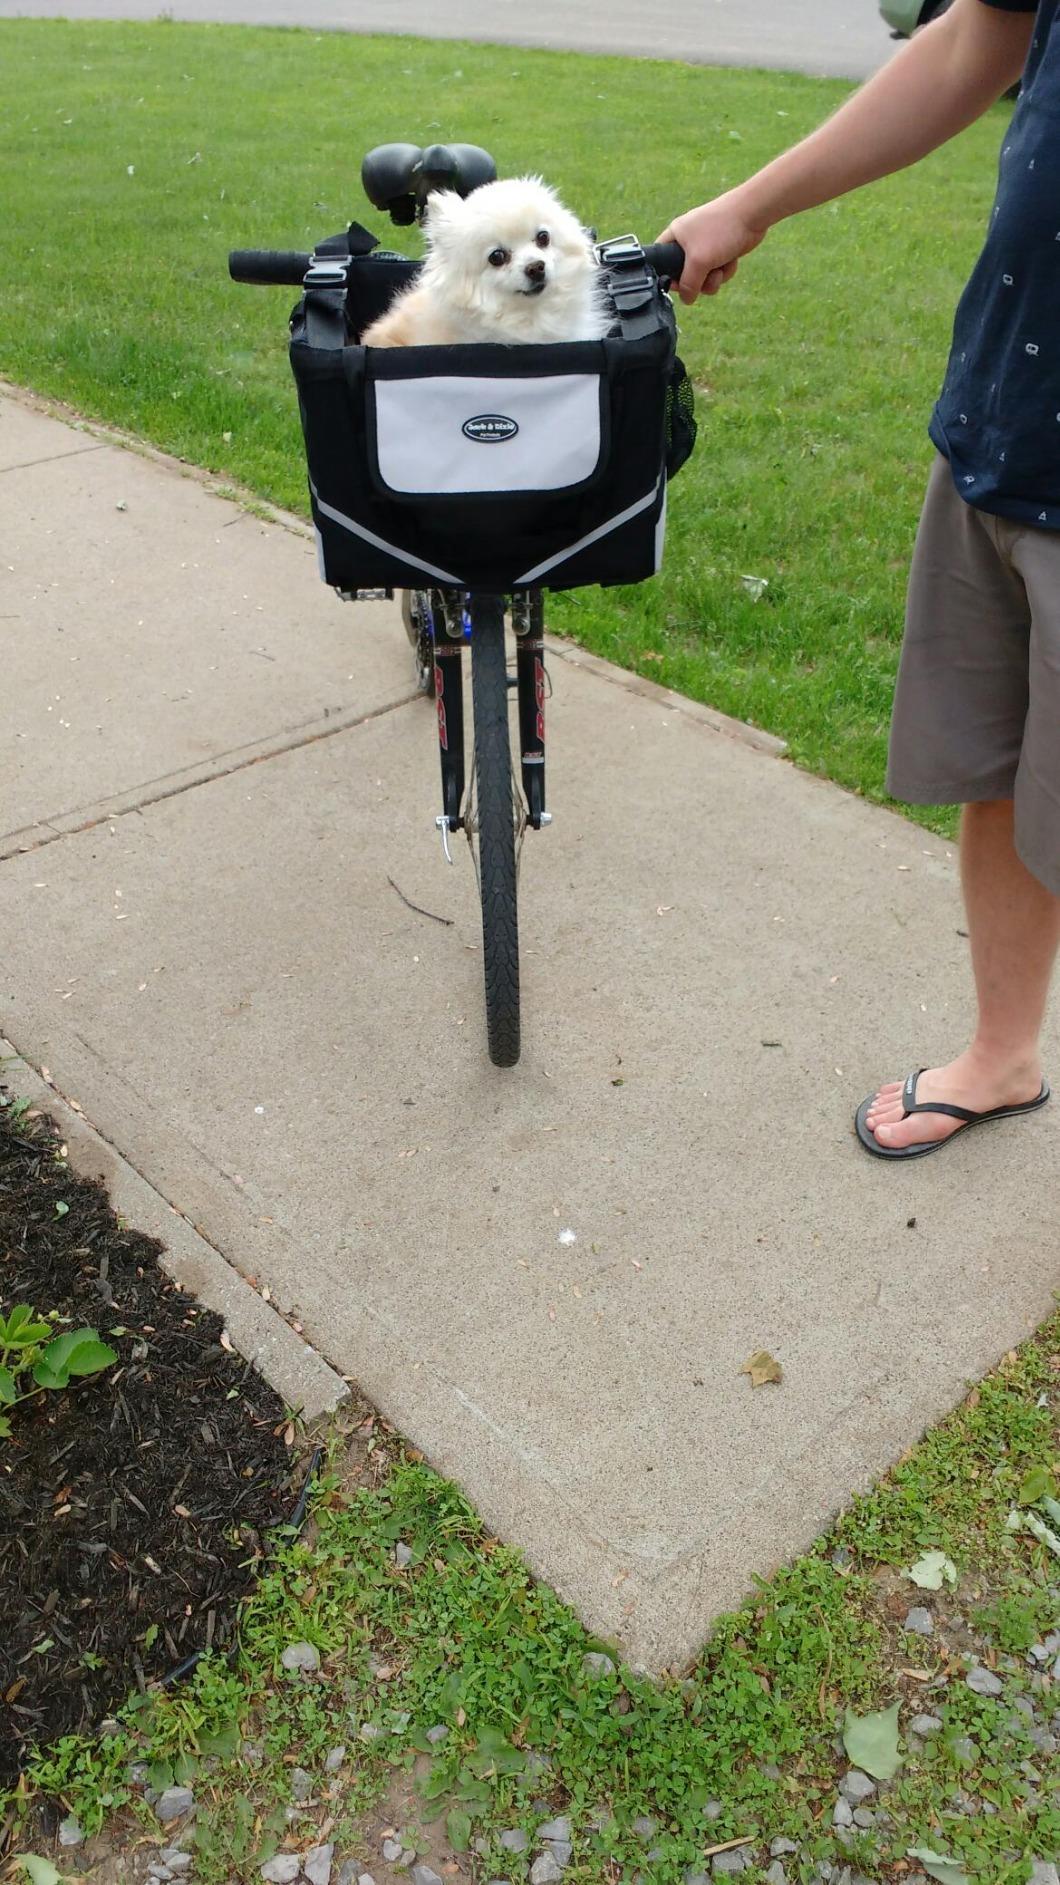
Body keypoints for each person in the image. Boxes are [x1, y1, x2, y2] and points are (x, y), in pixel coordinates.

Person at [660, 0, 1058, 1160]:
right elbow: (976, 36)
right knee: (998, 766)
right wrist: (745, 206)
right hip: (1007, 420)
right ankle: (1003, 1051)